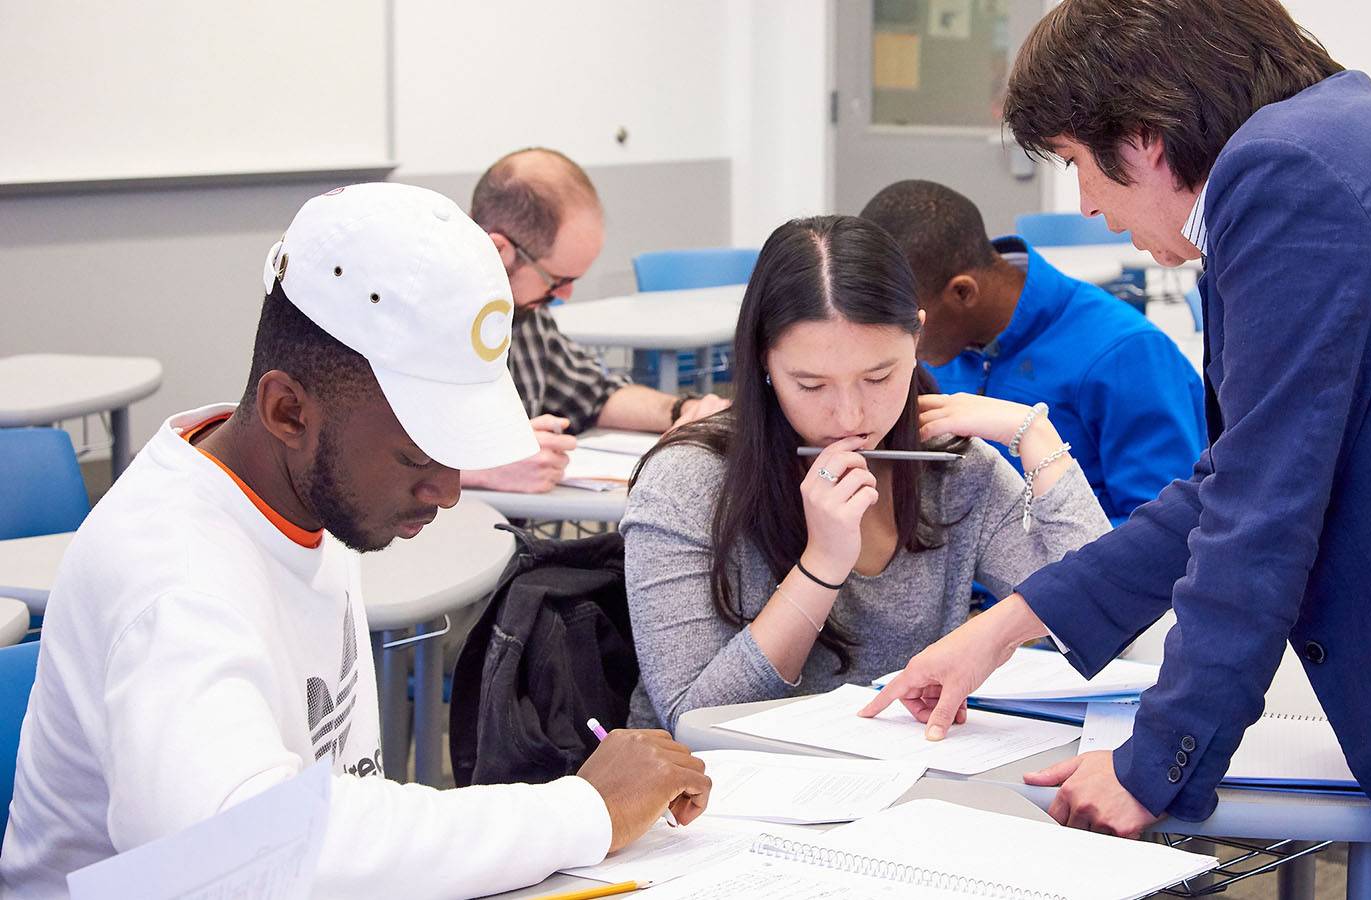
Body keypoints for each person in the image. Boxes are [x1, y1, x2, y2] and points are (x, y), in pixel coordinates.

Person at [862, 2, 1371, 898]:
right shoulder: (1333, 142)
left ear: (1145, 135)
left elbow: (1262, 512)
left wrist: (1151, 764)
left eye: (1077, 165)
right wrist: (1002, 627)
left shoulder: (1284, 177)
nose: (1088, 206)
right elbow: (1231, 484)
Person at [0, 184, 712, 900]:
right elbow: (235, 859)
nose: (448, 490)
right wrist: (578, 811)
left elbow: (333, 815)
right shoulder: (170, 576)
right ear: (288, 410)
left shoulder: (304, 489)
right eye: (416, 457)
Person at [620, 215, 1111, 731]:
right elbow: (691, 719)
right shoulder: (686, 481)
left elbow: (1101, 611)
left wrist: (1038, 438)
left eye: (879, 376)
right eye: (811, 386)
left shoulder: (950, 463)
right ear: (764, 361)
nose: (851, 417)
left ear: (917, 339)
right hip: (722, 795)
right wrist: (822, 565)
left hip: (902, 785)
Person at [861, 179, 1205, 526]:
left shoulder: (1128, 355)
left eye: (908, 321)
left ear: (962, 293)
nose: (893, 339)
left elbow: (1164, 531)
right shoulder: (937, 341)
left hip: (1073, 573)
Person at [462, 147, 728, 493]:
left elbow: (595, 395)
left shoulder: (524, 314)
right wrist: (478, 469)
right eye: (557, 280)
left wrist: (684, 411)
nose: (564, 296)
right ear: (498, 250)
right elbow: (371, 467)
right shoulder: (407, 320)